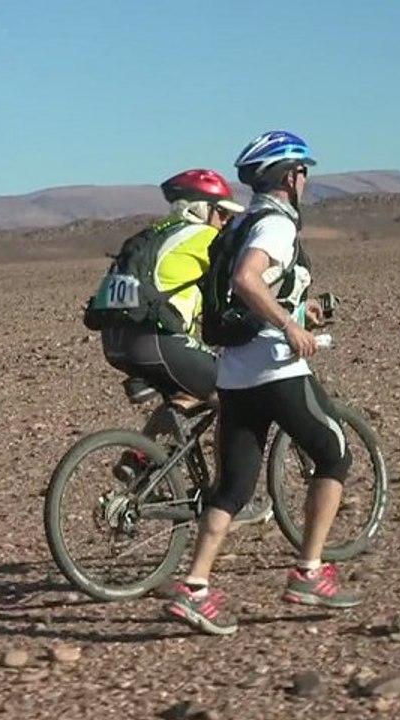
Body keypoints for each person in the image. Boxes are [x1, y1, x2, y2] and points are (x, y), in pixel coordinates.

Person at [164, 131, 361, 636]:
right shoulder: (275, 226)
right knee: (335, 453)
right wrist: (291, 327)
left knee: (233, 487)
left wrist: (300, 309)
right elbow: (248, 281)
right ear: (289, 178)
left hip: (235, 373)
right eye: (303, 173)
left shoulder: (242, 222)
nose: (306, 182)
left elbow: (258, 290)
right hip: (276, 369)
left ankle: (195, 588)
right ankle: (309, 572)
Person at [94, 169, 269, 529]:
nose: (224, 222)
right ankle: (229, 498)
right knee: (236, 393)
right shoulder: (203, 238)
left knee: (192, 392)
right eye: (221, 213)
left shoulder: (157, 235)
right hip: (155, 340)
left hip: (117, 341)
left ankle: (140, 457)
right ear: (200, 210)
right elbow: (246, 286)